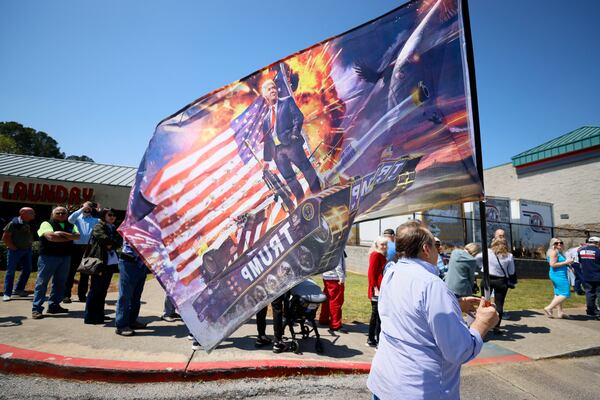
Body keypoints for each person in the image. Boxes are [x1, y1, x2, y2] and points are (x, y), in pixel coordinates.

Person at [367, 221, 499, 399]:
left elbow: (407, 309)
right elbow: (458, 350)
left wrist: (454, 304)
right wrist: (483, 322)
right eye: (436, 245)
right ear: (426, 249)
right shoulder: (432, 285)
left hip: (383, 384)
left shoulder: (392, 272)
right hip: (418, 390)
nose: (439, 249)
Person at [261, 79, 321, 204]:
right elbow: (267, 140)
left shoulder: (287, 101)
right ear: (265, 95)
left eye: (274, 87)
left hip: (291, 145)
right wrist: (267, 160)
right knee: (289, 178)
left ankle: (318, 194)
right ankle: (302, 201)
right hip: (277, 152)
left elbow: (298, 117)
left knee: (306, 168)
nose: (273, 90)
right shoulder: (266, 119)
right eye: (269, 89)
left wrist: (294, 135)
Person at [32, 206, 80, 319]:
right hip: (48, 257)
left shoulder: (71, 225)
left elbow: (77, 237)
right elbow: (50, 237)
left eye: (63, 213)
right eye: (58, 213)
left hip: (65, 257)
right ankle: (36, 309)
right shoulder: (46, 224)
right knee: (42, 283)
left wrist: (60, 233)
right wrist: (69, 237)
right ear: (53, 214)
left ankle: (54, 306)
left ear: (67, 215)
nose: (60, 215)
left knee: (60, 283)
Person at [84, 208, 122, 324]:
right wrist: (111, 243)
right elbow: (104, 239)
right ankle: (90, 317)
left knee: (103, 290)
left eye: (114, 215)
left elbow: (119, 240)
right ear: (103, 216)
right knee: (95, 289)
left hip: (109, 262)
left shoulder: (113, 227)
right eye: (110, 215)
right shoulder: (98, 226)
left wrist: (112, 244)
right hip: (100, 261)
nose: (112, 217)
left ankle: (99, 314)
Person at [65, 201, 99, 303]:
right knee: (71, 272)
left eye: (90, 207)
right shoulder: (76, 219)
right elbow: (70, 219)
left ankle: (82, 295)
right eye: (86, 207)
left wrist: (96, 210)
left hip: (89, 248)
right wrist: (82, 208)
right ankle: (66, 295)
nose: (87, 208)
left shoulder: (96, 220)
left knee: (85, 272)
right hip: (75, 247)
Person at [115, 241, 149, 336]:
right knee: (125, 295)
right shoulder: (131, 226)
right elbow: (136, 242)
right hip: (128, 261)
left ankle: (131, 321)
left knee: (136, 295)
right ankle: (121, 325)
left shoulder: (148, 227)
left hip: (141, 262)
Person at [2, 207, 35, 301]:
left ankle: (19, 289)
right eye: (31, 213)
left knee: (27, 270)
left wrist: (30, 243)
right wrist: (13, 247)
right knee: (10, 271)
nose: (34, 214)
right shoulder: (13, 223)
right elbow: (5, 237)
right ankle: (7, 293)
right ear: (23, 213)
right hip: (15, 251)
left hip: (27, 250)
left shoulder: (28, 223)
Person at [487, 238, 515, 332]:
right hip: (501, 280)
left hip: (488, 279)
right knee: (499, 304)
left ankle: (484, 323)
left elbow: (478, 260)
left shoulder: (488, 252)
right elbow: (511, 271)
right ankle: (497, 326)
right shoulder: (509, 256)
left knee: (484, 302)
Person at [543, 238, 573, 319]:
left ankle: (560, 312)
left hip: (558, 274)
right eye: (556, 243)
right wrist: (566, 262)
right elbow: (553, 264)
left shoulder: (558, 252)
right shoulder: (554, 252)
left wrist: (568, 265)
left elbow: (559, 263)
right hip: (558, 275)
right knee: (565, 293)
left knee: (558, 293)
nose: (559, 244)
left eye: (561, 243)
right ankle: (549, 308)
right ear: (553, 244)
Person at [318, 252, 347, 332]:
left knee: (327, 299)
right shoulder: (338, 247)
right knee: (336, 301)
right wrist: (341, 278)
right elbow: (337, 264)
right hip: (335, 277)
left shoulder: (329, 245)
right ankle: (335, 324)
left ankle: (324, 318)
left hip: (327, 276)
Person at [367, 236, 387, 347]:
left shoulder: (381, 255)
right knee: (376, 316)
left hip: (380, 289)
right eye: (382, 244)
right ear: (377, 245)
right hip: (377, 291)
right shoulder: (376, 255)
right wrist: (374, 288)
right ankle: (373, 339)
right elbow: (371, 273)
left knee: (378, 316)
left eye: (385, 244)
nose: (384, 246)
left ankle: (374, 339)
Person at [578, 236, 600, 319]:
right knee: (599, 294)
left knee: (589, 293)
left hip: (586, 276)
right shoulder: (598, 251)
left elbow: (580, 261)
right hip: (597, 276)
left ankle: (590, 311)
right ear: (597, 243)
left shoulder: (581, 251)